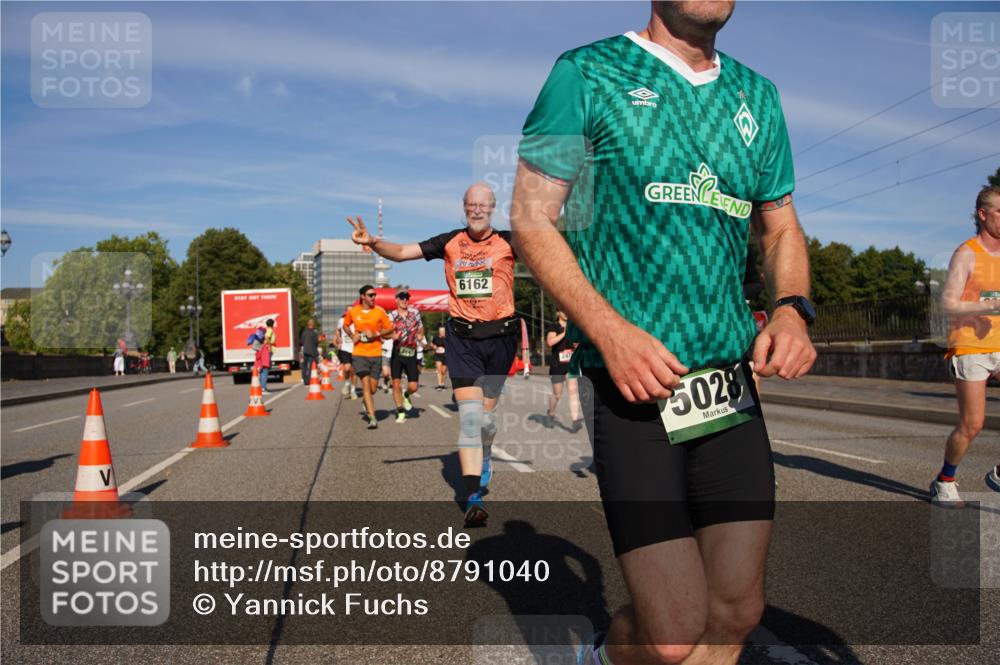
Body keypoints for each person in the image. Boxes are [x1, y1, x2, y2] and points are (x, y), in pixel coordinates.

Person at [511, 2, 817, 663]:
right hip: (632, 385)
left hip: (727, 387)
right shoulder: (585, 73)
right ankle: (602, 656)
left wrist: (792, 307)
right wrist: (608, 329)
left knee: (736, 611)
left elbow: (781, 224)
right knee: (674, 631)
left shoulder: (757, 96)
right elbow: (532, 219)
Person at [348, 182, 519, 526]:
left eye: (483, 205)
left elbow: (556, 251)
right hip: (463, 339)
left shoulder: (510, 242)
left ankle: (485, 452)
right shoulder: (449, 242)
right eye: (470, 204)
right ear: (464, 208)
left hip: (501, 338)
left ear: (492, 208)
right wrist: (374, 242)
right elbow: (401, 252)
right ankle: (473, 496)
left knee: (486, 420)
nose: (476, 210)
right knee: (471, 418)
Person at [931, 185, 1000, 507]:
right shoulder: (968, 252)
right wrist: (985, 308)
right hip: (970, 347)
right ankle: (945, 480)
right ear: (983, 215)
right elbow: (948, 303)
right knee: (972, 424)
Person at [343, 285, 394, 429]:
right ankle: (372, 418)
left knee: (372, 389)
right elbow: (345, 326)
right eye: (370, 295)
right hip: (359, 354)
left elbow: (390, 329)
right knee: (365, 384)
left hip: (376, 353)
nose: (373, 298)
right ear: (362, 296)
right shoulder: (353, 312)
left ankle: (366, 400)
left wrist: (376, 334)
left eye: (374, 295)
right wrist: (353, 336)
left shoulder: (379, 312)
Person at [389, 290, 424, 423]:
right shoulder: (391, 315)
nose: (405, 300)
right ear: (396, 300)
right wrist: (391, 336)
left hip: (411, 351)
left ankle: (406, 394)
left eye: (407, 298)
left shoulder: (415, 313)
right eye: (402, 298)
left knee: (414, 386)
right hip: (397, 352)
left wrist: (420, 335)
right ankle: (400, 411)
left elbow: (421, 328)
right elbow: (385, 332)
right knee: (396, 383)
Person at [545, 310, 583, 431]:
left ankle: (575, 420)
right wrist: (564, 333)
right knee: (557, 394)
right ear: (558, 313)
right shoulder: (554, 326)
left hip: (571, 364)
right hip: (557, 365)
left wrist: (578, 344)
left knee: (573, 392)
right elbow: (550, 342)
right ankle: (551, 413)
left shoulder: (574, 326)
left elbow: (578, 342)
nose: (566, 313)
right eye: (563, 310)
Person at [334, 310, 358, 399]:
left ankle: (353, 390)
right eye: (348, 311)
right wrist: (338, 338)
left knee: (354, 371)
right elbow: (337, 330)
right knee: (347, 368)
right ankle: (347, 383)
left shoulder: (357, 320)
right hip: (345, 348)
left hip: (356, 349)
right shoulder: (342, 320)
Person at [300, 318, 321, 386]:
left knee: (304, 366)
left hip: (305, 351)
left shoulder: (304, 332)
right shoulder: (314, 333)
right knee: (311, 367)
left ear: (308, 325)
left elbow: (302, 341)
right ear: (313, 325)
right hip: (312, 352)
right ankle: (308, 381)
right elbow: (316, 343)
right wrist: (319, 340)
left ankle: (304, 379)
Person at [431, 325, 448, 390]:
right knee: (439, 369)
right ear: (439, 331)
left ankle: (443, 383)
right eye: (441, 331)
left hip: (446, 356)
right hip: (438, 355)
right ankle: (439, 384)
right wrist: (434, 347)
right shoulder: (436, 338)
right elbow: (432, 344)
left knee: (444, 371)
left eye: (443, 331)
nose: (442, 332)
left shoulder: (447, 338)